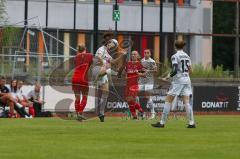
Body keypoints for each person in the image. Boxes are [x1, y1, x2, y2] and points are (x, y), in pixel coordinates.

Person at [151, 39, 195, 128]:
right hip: (187, 79)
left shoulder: (175, 56)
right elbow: (191, 70)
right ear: (183, 46)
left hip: (178, 81)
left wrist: (167, 77)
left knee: (168, 100)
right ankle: (191, 123)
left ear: (175, 46)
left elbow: (174, 71)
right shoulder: (187, 56)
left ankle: (162, 122)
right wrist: (184, 75)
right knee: (186, 101)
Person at [93, 32, 126, 122]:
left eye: (114, 46)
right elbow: (99, 57)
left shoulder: (107, 54)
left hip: (103, 72)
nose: (112, 46)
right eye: (112, 44)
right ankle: (113, 74)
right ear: (109, 42)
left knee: (106, 93)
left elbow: (114, 62)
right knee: (107, 66)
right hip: (97, 69)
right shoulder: (101, 49)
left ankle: (101, 112)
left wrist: (122, 56)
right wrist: (104, 62)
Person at [72, 44, 93, 121]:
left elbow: (76, 65)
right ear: (85, 49)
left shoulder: (75, 57)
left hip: (75, 78)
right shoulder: (90, 55)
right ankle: (80, 113)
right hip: (83, 78)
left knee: (77, 98)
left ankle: (77, 115)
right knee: (85, 96)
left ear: (78, 50)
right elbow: (91, 64)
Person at [125, 51, 145, 119]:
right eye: (132, 54)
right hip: (128, 84)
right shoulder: (128, 63)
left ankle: (140, 111)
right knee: (128, 101)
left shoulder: (139, 64)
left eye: (134, 54)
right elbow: (125, 73)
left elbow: (144, 74)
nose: (133, 55)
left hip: (134, 85)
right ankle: (135, 116)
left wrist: (138, 73)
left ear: (137, 56)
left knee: (131, 100)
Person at [138, 49, 157, 119]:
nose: (146, 54)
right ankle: (142, 113)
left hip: (149, 81)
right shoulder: (141, 61)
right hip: (141, 81)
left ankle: (153, 112)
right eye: (145, 52)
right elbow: (139, 70)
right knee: (140, 97)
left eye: (147, 53)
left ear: (150, 54)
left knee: (148, 97)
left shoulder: (152, 61)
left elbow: (155, 71)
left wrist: (149, 70)